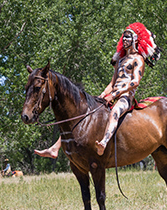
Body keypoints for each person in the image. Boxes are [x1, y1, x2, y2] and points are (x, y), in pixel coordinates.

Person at [34, 22, 160, 157]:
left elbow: (135, 82)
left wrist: (114, 95)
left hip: (125, 97)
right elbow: (112, 83)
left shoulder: (138, 59)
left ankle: (104, 143)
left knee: (115, 113)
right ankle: (55, 148)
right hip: (113, 95)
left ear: (135, 39)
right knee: (82, 112)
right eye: (123, 36)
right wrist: (103, 94)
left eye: (128, 37)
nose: (124, 39)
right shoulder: (120, 61)